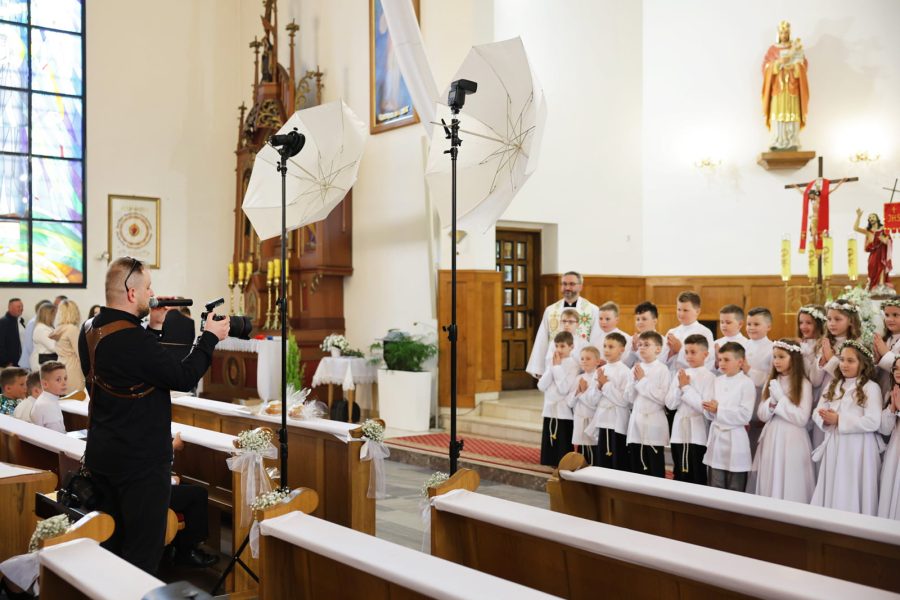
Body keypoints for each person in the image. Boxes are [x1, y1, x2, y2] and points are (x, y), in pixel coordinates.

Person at [79, 257, 229, 573]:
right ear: (131, 293)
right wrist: (210, 337)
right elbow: (182, 377)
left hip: (103, 453)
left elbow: (136, 371)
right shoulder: (133, 339)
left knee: (112, 546)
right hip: (139, 464)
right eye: (148, 287)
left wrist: (156, 327)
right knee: (142, 553)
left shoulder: (90, 328)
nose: (152, 293)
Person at [811, 340, 882, 515]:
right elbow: (816, 412)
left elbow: (873, 421)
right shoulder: (833, 384)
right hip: (835, 443)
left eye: (850, 361)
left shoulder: (871, 388)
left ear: (862, 364)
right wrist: (825, 419)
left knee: (851, 486)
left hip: (858, 448)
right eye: (842, 359)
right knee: (834, 484)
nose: (844, 364)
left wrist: (839, 420)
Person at [748, 339, 815, 503]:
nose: (776, 361)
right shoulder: (772, 381)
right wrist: (771, 404)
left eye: (781, 357)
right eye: (775, 357)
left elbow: (801, 418)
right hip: (772, 435)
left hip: (793, 438)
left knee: (790, 478)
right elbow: (762, 414)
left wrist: (781, 399)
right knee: (771, 475)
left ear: (794, 359)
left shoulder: (804, 384)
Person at [703, 342, 755, 491]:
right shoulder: (717, 381)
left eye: (726, 359)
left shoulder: (746, 383)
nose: (722, 363)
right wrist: (709, 409)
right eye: (720, 359)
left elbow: (745, 415)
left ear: (740, 362)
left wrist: (718, 409)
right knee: (715, 485)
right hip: (717, 439)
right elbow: (710, 411)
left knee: (735, 487)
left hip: (736, 439)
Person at [526, 271, 599, 377]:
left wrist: (593, 368)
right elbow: (542, 339)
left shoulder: (592, 310)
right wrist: (538, 368)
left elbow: (596, 340)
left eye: (572, 284)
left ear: (580, 287)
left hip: (581, 370)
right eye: (564, 284)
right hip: (554, 367)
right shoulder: (551, 310)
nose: (567, 287)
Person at [665, 334, 713, 484]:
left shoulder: (709, 377)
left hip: (697, 431)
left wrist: (686, 388)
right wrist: (679, 388)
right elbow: (670, 404)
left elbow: (705, 408)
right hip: (679, 430)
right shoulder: (681, 374)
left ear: (705, 354)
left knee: (697, 474)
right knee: (679, 472)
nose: (689, 356)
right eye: (686, 352)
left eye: (693, 352)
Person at [625, 331, 670, 477]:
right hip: (636, 421)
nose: (642, 348)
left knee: (654, 466)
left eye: (646, 344)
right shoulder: (635, 369)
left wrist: (643, 380)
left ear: (658, 349)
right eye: (639, 345)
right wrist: (634, 382)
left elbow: (663, 398)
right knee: (636, 465)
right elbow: (629, 398)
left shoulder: (662, 369)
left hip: (654, 422)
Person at [586, 332, 632, 470]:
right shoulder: (600, 370)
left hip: (617, 421)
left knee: (617, 458)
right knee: (602, 458)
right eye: (605, 346)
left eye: (611, 347)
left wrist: (606, 385)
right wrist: (599, 388)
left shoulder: (625, 371)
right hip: (602, 419)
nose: (606, 350)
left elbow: (624, 401)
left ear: (622, 349)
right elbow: (591, 400)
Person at [761, 20, 809, 150]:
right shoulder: (773, 50)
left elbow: (804, 66)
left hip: (792, 87)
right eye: (782, 33)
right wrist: (777, 63)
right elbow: (765, 67)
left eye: (786, 32)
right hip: (778, 88)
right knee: (778, 112)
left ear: (789, 33)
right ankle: (778, 139)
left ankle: (792, 140)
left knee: (792, 111)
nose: (784, 35)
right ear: (778, 33)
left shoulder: (796, 48)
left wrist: (795, 66)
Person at [537, 331, 578, 466]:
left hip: (563, 410)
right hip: (550, 408)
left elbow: (564, 389)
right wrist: (552, 367)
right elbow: (541, 385)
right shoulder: (553, 362)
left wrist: (557, 368)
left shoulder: (574, 364)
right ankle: (549, 461)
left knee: (562, 443)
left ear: (571, 347)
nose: (559, 350)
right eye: (556, 346)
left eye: (562, 346)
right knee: (550, 443)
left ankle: (563, 463)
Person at [743, 307, 774, 455]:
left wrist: (748, 370)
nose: (751, 328)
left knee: (755, 446)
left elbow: (771, 378)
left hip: (759, 400)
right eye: (749, 324)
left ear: (768, 326)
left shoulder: (772, 349)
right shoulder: (743, 345)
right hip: (741, 399)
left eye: (756, 324)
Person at [663, 291, 715, 373]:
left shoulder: (704, 332)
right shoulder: (672, 332)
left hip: (693, 376)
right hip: (672, 376)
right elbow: (661, 361)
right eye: (679, 309)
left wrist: (680, 350)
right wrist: (670, 354)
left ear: (697, 311)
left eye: (685, 310)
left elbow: (707, 361)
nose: (681, 314)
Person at [568, 346, 603, 463]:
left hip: (592, 419)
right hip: (579, 418)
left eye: (588, 358)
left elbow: (594, 403)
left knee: (593, 451)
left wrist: (582, 393)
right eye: (582, 358)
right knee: (581, 451)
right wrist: (577, 392)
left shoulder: (598, 378)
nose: (584, 361)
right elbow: (570, 402)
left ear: (597, 361)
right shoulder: (578, 378)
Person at [879, 359, 900, 519]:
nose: (898, 372)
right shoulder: (891, 392)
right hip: (894, 449)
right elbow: (884, 429)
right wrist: (892, 408)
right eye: (896, 368)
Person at [50, 299, 85, 393]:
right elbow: (80, 354)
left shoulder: (59, 329)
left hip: (61, 366)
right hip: (72, 368)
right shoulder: (72, 329)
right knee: (75, 398)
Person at [854, 209, 892, 291]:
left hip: (882, 254)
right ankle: (872, 287)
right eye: (870, 217)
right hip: (873, 255)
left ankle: (881, 286)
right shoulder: (868, 231)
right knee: (872, 269)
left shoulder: (884, 229)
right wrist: (858, 216)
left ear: (877, 218)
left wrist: (883, 239)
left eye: (873, 217)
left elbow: (888, 240)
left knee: (881, 267)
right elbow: (855, 228)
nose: (871, 218)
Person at [31, 361, 67, 433]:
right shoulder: (48, 406)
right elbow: (58, 435)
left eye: (65, 378)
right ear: (45, 384)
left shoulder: (46, 399)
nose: (64, 383)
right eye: (58, 380)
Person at [874, 299, 900, 395]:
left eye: (895, 315)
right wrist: (877, 360)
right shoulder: (885, 339)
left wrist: (885, 353)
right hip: (882, 389)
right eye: (887, 315)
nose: (889, 319)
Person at [714, 304, 748, 372]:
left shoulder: (746, 344)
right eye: (722, 322)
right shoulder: (716, 343)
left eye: (728, 322)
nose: (724, 325)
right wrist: (717, 361)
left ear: (740, 324)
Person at [625, 301, 659, 367]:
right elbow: (626, 366)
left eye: (644, 319)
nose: (640, 322)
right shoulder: (632, 339)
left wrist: (636, 350)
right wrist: (632, 351)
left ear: (654, 321)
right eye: (637, 319)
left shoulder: (661, 341)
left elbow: (656, 363)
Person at [18, 300, 50, 369]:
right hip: (30, 363)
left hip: (38, 360)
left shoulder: (41, 322)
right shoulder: (33, 322)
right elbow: (29, 345)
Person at [29, 303, 57, 371]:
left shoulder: (48, 327)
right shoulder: (41, 329)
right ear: (48, 315)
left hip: (48, 361)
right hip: (42, 363)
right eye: (54, 314)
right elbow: (53, 347)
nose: (55, 317)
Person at [0, 298, 25, 367]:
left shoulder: (20, 321)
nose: (21, 309)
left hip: (21, 362)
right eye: (18, 307)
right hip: (10, 364)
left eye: (22, 306)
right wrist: (6, 362)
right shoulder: (3, 322)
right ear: (10, 308)